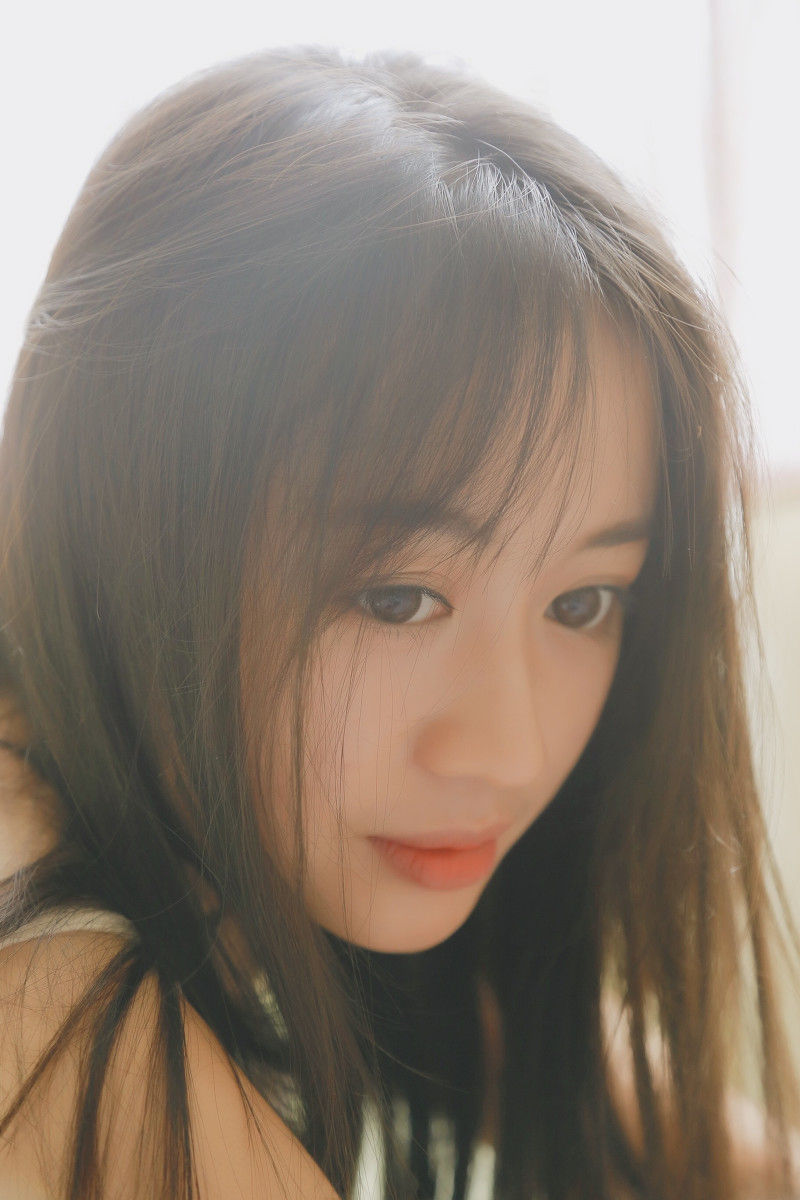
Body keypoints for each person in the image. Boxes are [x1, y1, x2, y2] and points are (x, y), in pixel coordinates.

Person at [0, 45, 797, 1200]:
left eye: (580, 603)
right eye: (396, 599)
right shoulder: (50, 1002)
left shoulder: (260, 847)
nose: (507, 751)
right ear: (130, 523)